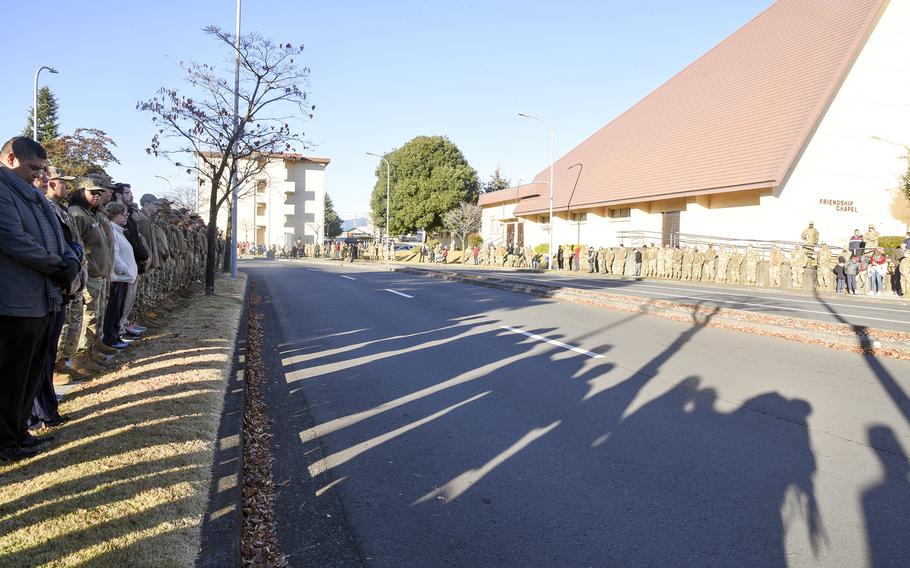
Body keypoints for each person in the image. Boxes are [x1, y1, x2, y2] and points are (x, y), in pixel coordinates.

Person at [0, 137, 80, 461]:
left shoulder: (33, 195)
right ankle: (4, 443)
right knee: (10, 377)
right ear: (10, 158)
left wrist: (69, 258)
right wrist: (59, 265)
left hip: (42, 299)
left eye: (41, 169)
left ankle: (19, 431)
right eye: (33, 168)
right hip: (15, 302)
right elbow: (12, 239)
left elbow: (58, 235)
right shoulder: (3, 191)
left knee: (31, 374)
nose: (39, 176)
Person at [103, 202, 137, 348]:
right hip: (118, 278)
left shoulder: (119, 231)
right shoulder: (112, 230)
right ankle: (111, 338)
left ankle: (116, 336)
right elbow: (114, 255)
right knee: (114, 310)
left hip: (124, 278)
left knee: (119, 309)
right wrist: (126, 270)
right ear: (114, 214)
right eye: (123, 214)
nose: (126, 216)